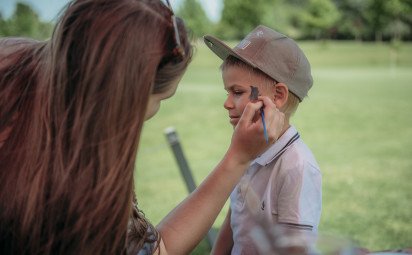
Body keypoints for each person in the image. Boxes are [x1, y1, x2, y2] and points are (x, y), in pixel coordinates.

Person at [0, 1, 285, 254]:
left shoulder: (15, 65)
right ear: (125, 98)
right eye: (160, 99)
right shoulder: (78, 183)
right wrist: (238, 158)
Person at [204, 25, 322, 254]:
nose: (227, 103)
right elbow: (235, 215)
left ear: (278, 96)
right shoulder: (248, 148)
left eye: (237, 92)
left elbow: (295, 249)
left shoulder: (297, 167)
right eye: (227, 92)